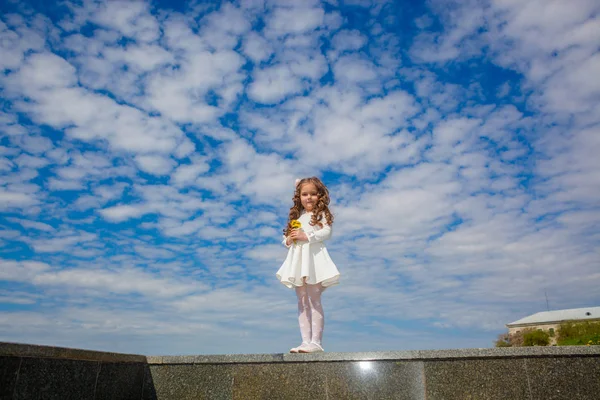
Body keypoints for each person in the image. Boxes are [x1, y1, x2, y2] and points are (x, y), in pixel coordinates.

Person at [276, 177, 340, 353]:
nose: (309, 197)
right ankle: (305, 341)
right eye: (304, 194)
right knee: (302, 301)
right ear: (299, 196)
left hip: (313, 260)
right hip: (299, 261)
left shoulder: (320, 215)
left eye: (313, 194)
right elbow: (287, 238)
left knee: (314, 299)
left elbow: (326, 232)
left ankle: (316, 342)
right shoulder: (297, 217)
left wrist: (308, 236)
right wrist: (289, 239)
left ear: (320, 196)